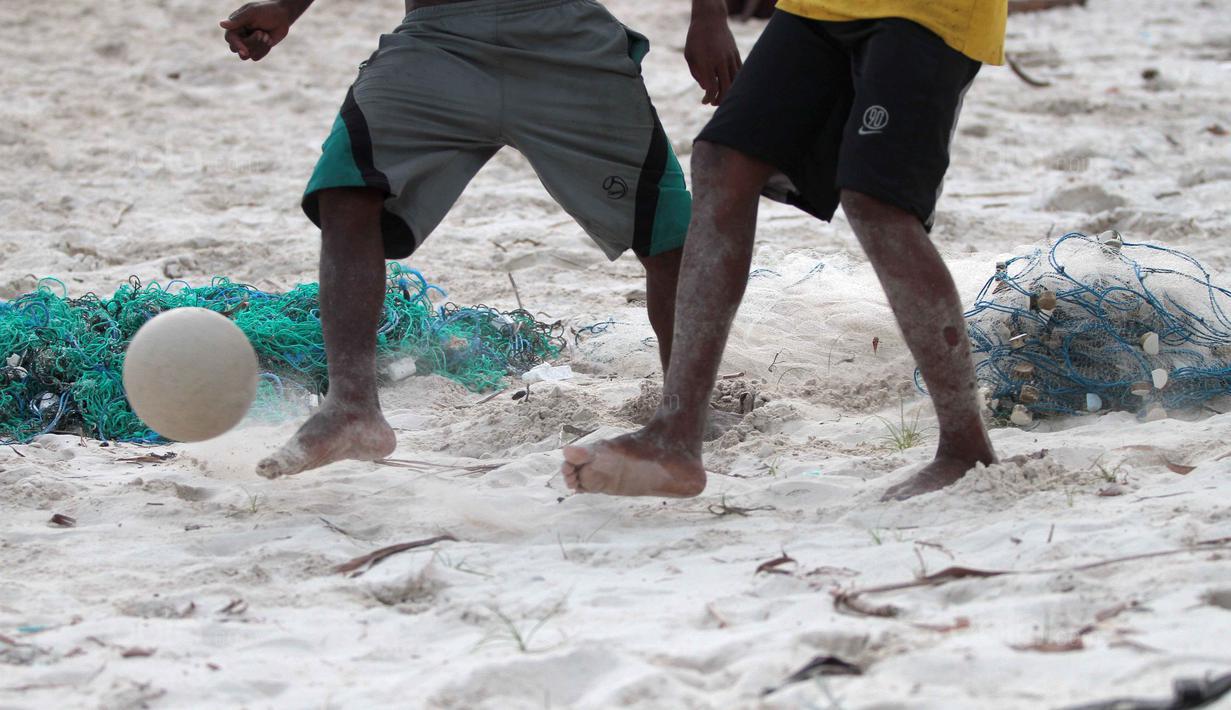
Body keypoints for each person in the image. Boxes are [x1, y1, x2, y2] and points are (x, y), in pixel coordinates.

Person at [219, 0, 741, 478]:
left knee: (670, 234)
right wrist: (286, 8)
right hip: (435, 40)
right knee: (345, 188)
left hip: (563, 35)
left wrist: (709, 16)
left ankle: (685, 407)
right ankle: (351, 407)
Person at [563, 1, 1007, 500]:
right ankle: (675, 435)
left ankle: (965, 446)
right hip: (819, 7)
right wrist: (708, 13)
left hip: (928, 13)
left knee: (876, 201)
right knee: (722, 160)